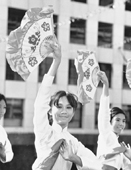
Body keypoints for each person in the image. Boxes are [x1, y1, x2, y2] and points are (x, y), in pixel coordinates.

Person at [32, 40, 103, 170]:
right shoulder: (45, 131)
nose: (64, 111)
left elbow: (98, 165)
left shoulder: (73, 142)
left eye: (69, 107)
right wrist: (56, 62)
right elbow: (40, 104)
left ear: (74, 112)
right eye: (59, 106)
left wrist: (74, 158)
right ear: (49, 111)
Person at [96, 71, 131, 170]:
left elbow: (128, 167)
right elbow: (104, 111)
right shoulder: (106, 133)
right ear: (110, 121)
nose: (121, 124)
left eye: (123, 121)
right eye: (118, 120)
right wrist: (106, 84)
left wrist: (128, 155)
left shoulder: (119, 145)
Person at [0, 94, 14, 163]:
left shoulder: (2, 132)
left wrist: (3, 155)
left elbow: (10, 154)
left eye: (4, 107)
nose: (2, 111)